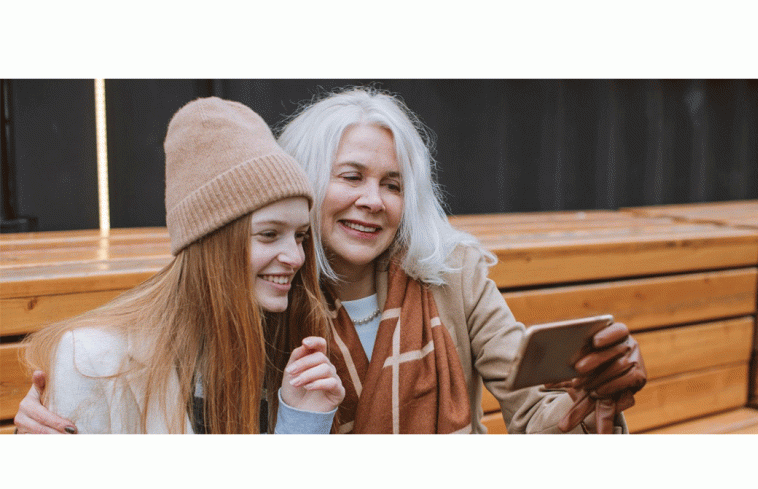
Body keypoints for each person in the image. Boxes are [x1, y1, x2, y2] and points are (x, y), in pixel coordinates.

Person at [16, 87, 645, 435]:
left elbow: (536, 410)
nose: (372, 201)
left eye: (393, 185)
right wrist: (43, 433)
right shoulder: (270, 296)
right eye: (351, 177)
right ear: (308, 184)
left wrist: (588, 405)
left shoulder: (453, 277)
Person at [15, 97, 343, 434]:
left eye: (300, 235)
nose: (295, 257)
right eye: (270, 234)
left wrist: (303, 423)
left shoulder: (288, 347)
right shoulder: (93, 358)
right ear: (209, 242)